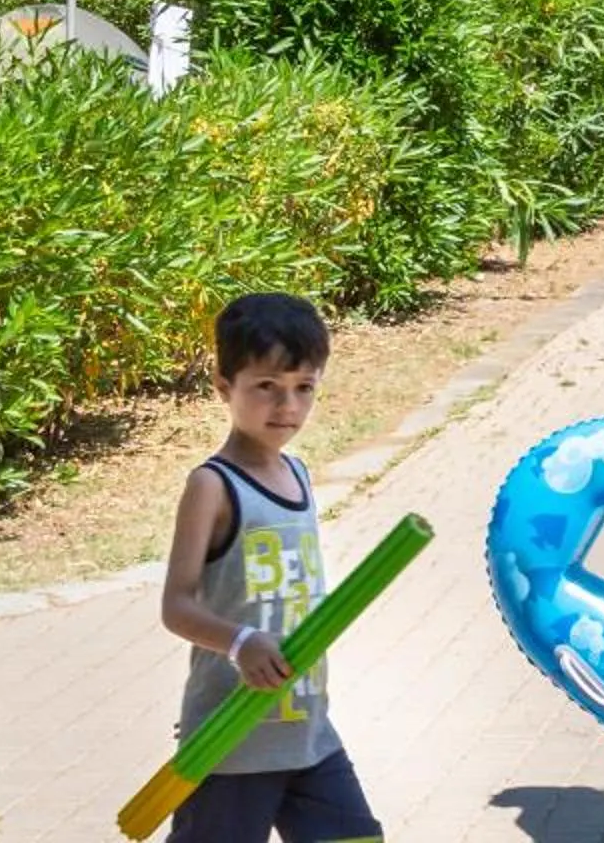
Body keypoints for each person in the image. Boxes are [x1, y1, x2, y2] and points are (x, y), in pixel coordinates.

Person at [156, 292, 382, 843]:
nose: (288, 407)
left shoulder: (299, 475)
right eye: (267, 387)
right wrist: (241, 643)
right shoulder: (212, 486)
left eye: (304, 388)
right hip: (231, 742)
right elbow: (176, 606)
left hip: (307, 731)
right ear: (223, 386)